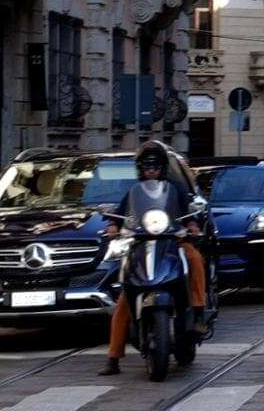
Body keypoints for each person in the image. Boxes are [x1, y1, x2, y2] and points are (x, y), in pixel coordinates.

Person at [99, 142, 207, 376]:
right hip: (140, 244)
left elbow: (187, 210)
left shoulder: (175, 188)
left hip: (171, 241)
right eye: (147, 166)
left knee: (195, 258)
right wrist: (112, 225)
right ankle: (113, 357)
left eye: (155, 166)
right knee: (124, 298)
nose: (151, 170)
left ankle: (198, 311)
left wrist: (191, 224)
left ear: (162, 168)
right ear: (140, 168)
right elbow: (119, 214)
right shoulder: (133, 192)